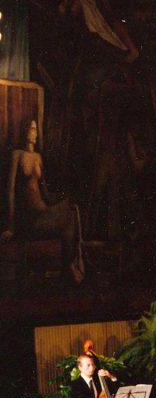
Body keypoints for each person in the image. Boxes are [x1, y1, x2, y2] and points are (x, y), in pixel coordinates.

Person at [1, 120, 84, 282]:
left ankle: (68, 267)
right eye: (30, 128)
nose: (32, 132)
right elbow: (9, 191)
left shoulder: (38, 157)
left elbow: (45, 193)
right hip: (31, 218)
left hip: (44, 211)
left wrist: (63, 199)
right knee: (68, 221)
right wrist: (11, 226)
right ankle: (68, 268)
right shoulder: (17, 155)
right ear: (24, 131)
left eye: (34, 129)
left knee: (72, 212)